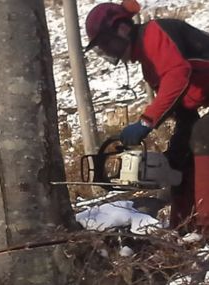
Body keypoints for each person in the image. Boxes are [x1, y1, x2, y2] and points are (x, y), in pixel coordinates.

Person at [84, 0, 209, 234]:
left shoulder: (154, 34)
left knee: (204, 133)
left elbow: (178, 75)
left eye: (107, 43)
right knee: (181, 155)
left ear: (122, 28)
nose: (108, 51)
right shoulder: (148, 65)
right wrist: (177, 148)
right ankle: (183, 229)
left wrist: (146, 121)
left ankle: (206, 226)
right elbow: (184, 106)